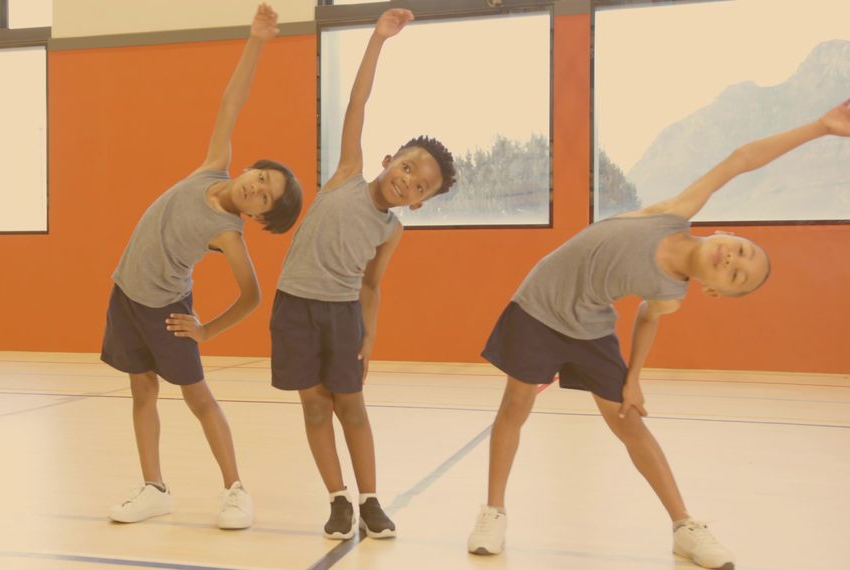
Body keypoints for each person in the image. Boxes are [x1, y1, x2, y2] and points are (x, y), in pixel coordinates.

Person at [467, 98, 850, 568]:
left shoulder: (672, 293)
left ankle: (684, 526)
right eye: (740, 251)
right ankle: (494, 511)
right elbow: (742, 160)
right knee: (516, 406)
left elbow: (648, 315)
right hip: (540, 305)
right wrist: (819, 127)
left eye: (737, 277)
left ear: (714, 293)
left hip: (589, 326)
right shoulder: (675, 213)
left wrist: (634, 378)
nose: (733, 261)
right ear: (725, 234)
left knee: (629, 422)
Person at [102, 3, 302, 531]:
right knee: (141, 391)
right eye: (261, 177)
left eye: (265, 197)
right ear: (249, 168)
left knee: (198, 398)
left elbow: (253, 296)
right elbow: (231, 99)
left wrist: (206, 329)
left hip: (168, 311)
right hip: (126, 294)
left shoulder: (228, 236)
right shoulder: (213, 165)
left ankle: (235, 489)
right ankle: (154, 487)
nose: (256, 188)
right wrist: (257, 40)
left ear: (260, 217)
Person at [270, 8, 456, 541]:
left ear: (420, 204)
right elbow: (358, 102)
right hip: (293, 307)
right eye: (408, 168)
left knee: (349, 405)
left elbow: (372, 285)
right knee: (312, 406)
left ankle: (371, 499)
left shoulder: (392, 229)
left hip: (342, 314)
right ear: (389, 158)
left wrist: (369, 335)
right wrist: (377, 39)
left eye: (421, 186)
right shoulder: (348, 172)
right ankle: (337, 500)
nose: (409, 183)